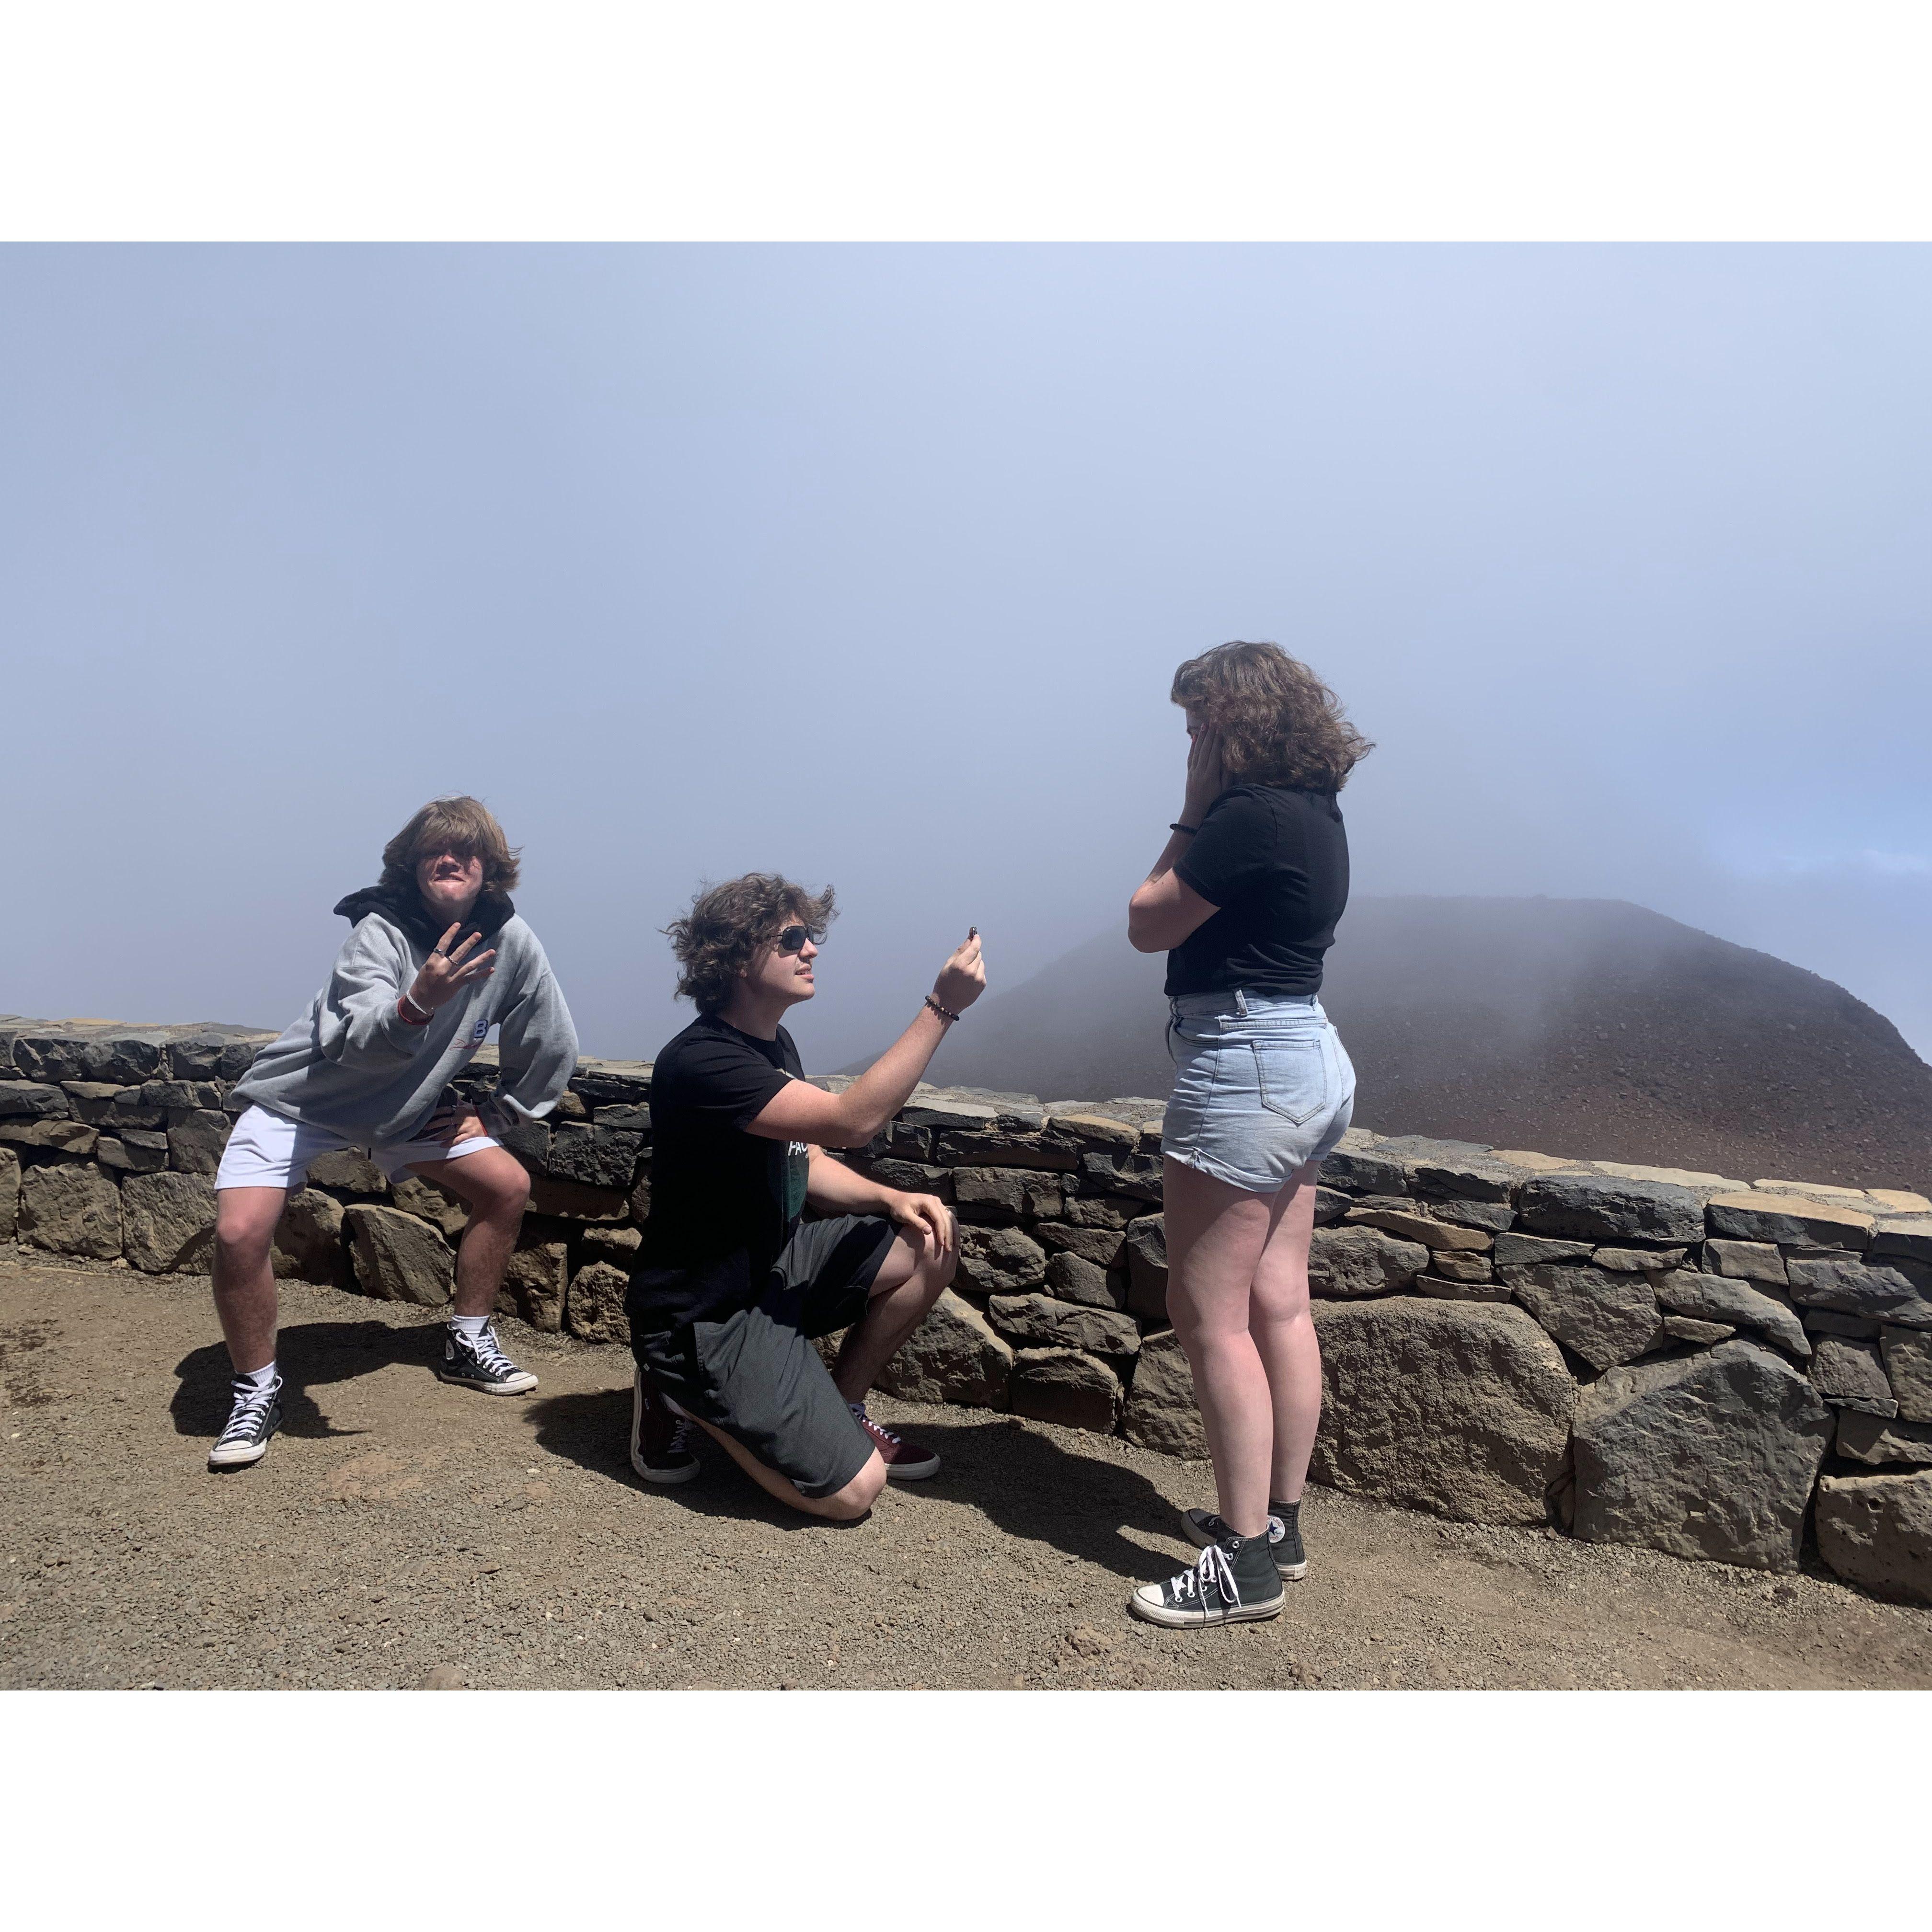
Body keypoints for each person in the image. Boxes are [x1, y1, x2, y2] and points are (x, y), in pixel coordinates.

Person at [206, 795, 578, 1471]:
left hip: (406, 1110)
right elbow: (352, 1044)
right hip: (304, 1102)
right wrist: (416, 1006)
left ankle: (466, 1341)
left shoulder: (512, 941)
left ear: (491, 868)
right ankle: (257, 1388)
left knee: (506, 1187)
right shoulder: (377, 933)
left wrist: (499, 1113)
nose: (451, 859)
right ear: (409, 865)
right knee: (238, 1234)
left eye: (468, 851)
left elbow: (550, 1038)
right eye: (434, 849)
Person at [1123, 641, 1371, 1627]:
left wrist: (1189, 804)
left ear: (1235, 722)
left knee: (1212, 1315)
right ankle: (1279, 1522)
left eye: (1199, 725)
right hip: (1308, 1054)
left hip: (1245, 1062)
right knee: (1281, 1301)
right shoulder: (1315, 810)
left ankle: (1246, 1568)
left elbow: (1148, 922)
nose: (1191, 740)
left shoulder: (1241, 814)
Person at [625, 873, 986, 1521]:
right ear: (736, 957)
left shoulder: (773, 1045)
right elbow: (852, 1122)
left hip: (772, 1269)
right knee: (854, 1494)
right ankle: (681, 1392)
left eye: (810, 935)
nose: (811, 949)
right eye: (792, 938)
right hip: (704, 1314)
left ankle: (843, 1409)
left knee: (934, 1237)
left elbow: (806, 1158)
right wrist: (942, 1006)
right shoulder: (702, 1062)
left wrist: (888, 1198)